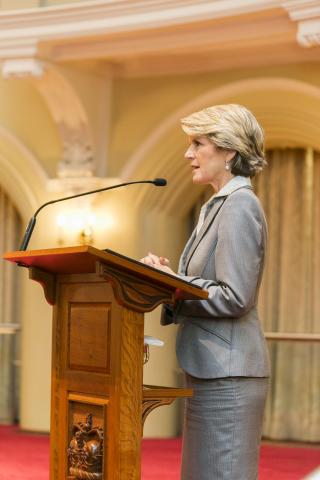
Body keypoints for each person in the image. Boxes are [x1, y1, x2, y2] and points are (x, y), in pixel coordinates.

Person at [141, 104, 270, 480]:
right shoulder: (217, 205)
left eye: (198, 143)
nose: (188, 154)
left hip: (228, 375)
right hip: (213, 371)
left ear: (230, 150)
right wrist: (169, 279)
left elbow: (235, 295)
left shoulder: (239, 205)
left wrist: (173, 282)